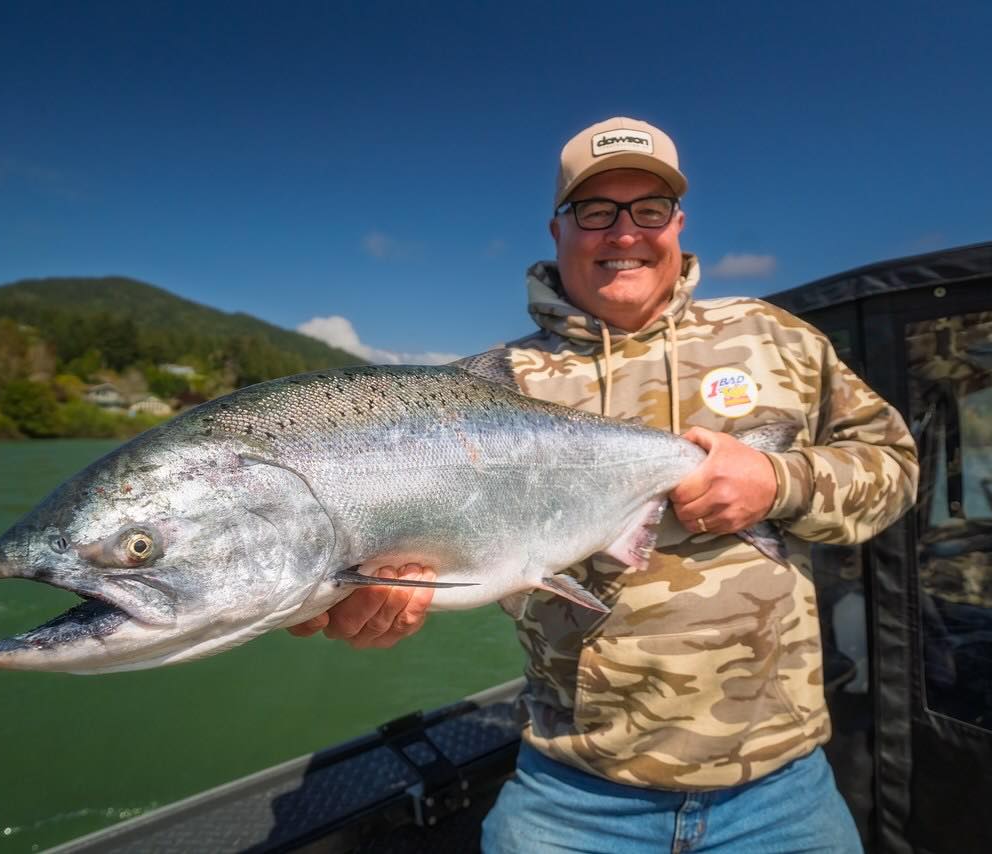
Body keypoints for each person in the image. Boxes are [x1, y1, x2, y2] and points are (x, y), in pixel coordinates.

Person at [289, 117, 918, 852]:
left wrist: (780, 480)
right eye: (596, 211)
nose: (624, 233)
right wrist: (375, 592)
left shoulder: (777, 338)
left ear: (678, 224)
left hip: (780, 791)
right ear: (558, 229)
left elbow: (895, 468)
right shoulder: (485, 388)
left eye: (648, 209)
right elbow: (416, 543)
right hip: (573, 796)